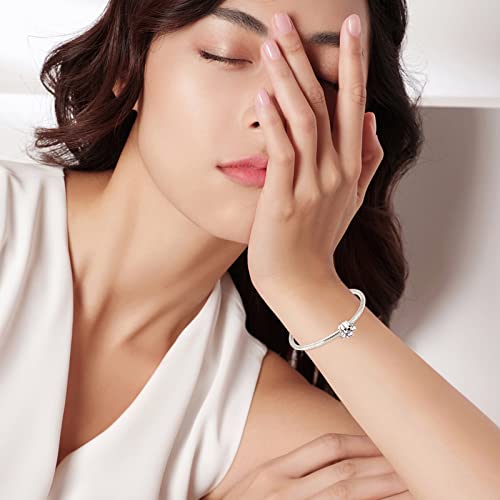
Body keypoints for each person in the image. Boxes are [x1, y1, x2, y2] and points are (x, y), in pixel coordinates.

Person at [1, 0, 499, 499]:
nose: (275, 112)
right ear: (127, 68)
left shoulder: (257, 423)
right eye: (225, 56)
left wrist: (307, 288)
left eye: (325, 78)